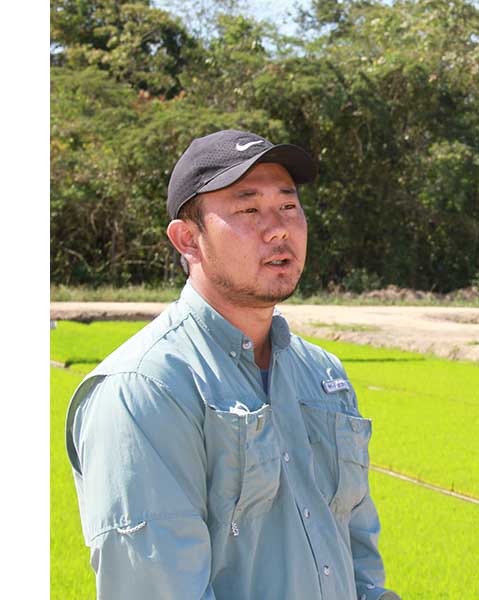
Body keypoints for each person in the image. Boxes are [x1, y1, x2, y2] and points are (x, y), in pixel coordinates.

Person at [65, 129, 401, 600]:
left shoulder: (324, 376)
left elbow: (358, 554)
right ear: (188, 240)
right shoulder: (146, 389)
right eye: (248, 209)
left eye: (288, 205)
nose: (279, 227)